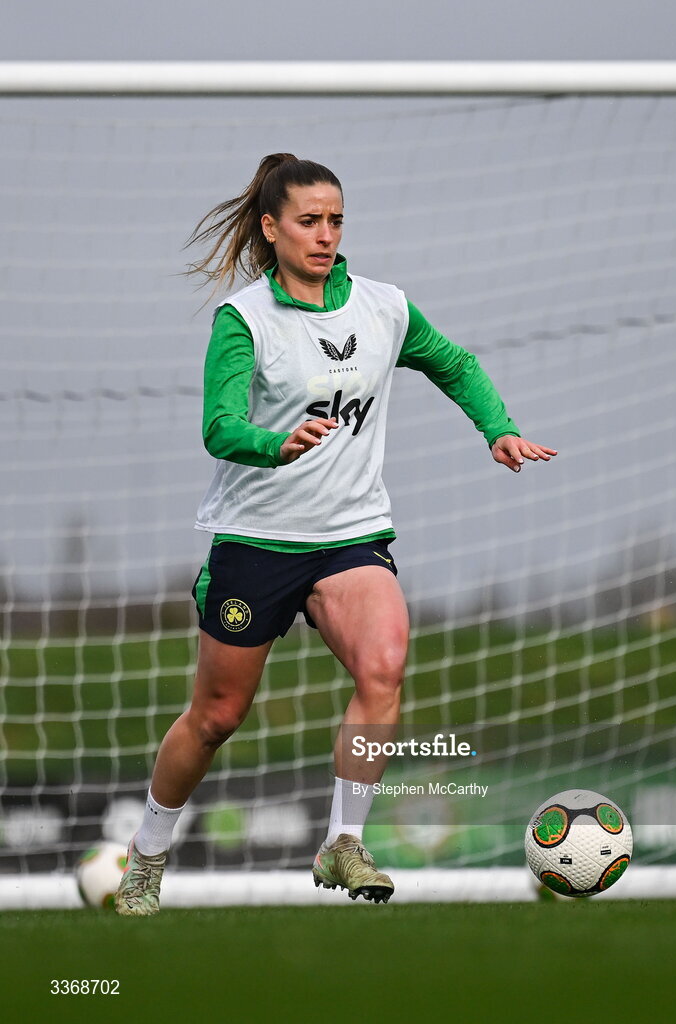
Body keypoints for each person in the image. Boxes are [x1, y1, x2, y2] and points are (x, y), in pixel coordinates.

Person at [115, 153, 556, 916]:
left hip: (350, 537)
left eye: (336, 220)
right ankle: (148, 855)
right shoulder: (245, 319)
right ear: (271, 228)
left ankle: (343, 842)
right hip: (254, 538)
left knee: (383, 664)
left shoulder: (384, 307)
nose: (325, 235)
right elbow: (219, 426)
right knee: (217, 716)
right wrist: (272, 442)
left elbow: (454, 364)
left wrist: (499, 429)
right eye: (309, 221)